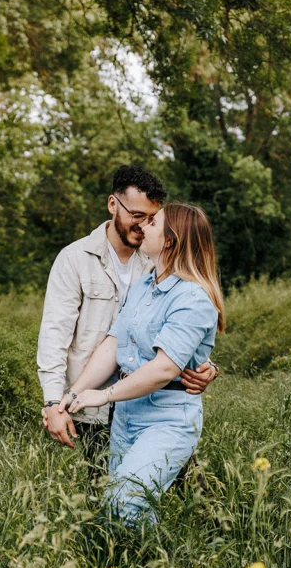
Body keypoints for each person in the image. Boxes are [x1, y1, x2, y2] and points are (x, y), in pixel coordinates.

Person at [59, 202, 225, 525]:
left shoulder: (193, 299)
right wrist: (76, 392)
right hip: (127, 417)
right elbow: (114, 344)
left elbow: (165, 368)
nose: (144, 226)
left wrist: (104, 396)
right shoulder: (144, 285)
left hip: (167, 419)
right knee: (122, 514)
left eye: (153, 223)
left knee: (124, 502)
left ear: (169, 241)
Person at [37, 165, 218, 459]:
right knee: (103, 491)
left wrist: (207, 366)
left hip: (153, 404)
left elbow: (183, 323)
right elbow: (54, 337)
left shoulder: (157, 260)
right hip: (92, 408)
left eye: (151, 218)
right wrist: (54, 402)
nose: (144, 226)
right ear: (112, 204)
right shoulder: (74, 260)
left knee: (182, 491)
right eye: (137, 216)